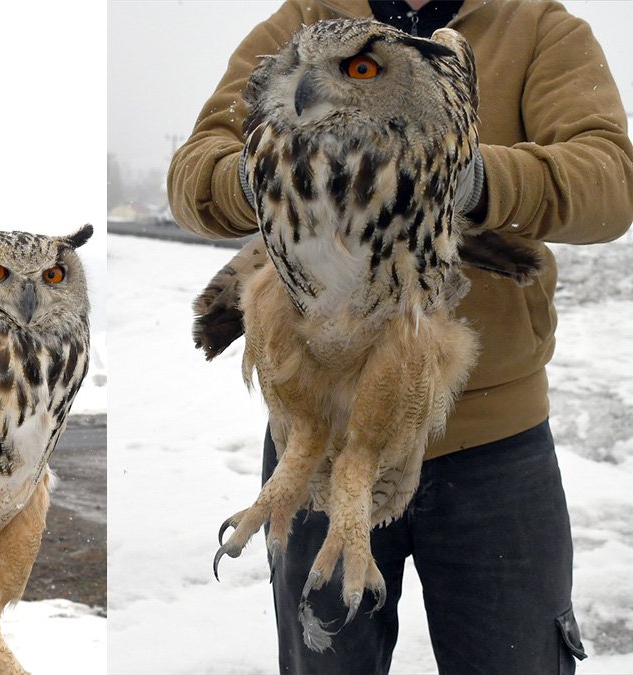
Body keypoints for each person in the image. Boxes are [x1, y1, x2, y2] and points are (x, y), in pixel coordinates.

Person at [168, 0, 633, 673]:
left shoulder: (536, 25)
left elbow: (611, 181)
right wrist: (266, 170)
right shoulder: (305, 20)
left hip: (493, 449)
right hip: (318, 428)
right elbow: (193, 175)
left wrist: (471, 178)